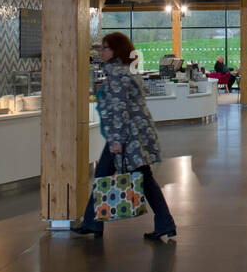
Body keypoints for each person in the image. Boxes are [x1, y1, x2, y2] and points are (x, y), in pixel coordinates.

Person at [73, 32, 176, 241]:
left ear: (115, 51)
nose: (101, 52)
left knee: (111, 177)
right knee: (143, 179)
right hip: (132, 138)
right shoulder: (126, 72)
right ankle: (93, 222)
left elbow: (120, 112)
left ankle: (93, 223)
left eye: (105, 48)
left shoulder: (118, 77)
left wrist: (117, 141)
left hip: (126, 140)